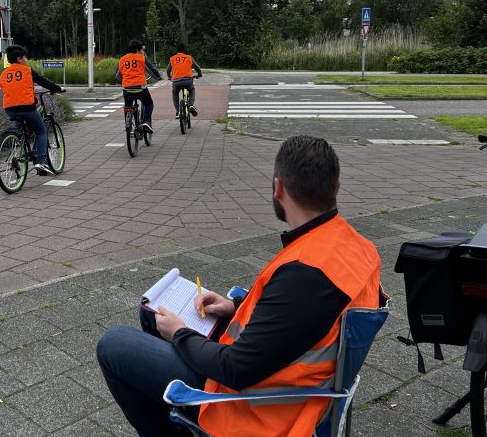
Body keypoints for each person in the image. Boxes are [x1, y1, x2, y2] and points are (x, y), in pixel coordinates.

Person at [97, 135, 382, 437]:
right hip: (290, 373)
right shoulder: (358, 248)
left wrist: (180, 334)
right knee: (151, 314)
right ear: (335, 189)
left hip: (259, 405)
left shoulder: (305, 274)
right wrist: (233, 307)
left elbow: (236, 369)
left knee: (113, 345)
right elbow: (299, 322)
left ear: (278, 188)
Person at [0, 45, 65, 176]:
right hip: (27, 107)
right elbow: (43, 81)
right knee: (41, 132)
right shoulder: (27, 70)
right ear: (19, 59)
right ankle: (41, 161)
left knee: (25, 125)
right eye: (24, 57)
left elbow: (2, 85)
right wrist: (58, 88)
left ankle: (23, 139)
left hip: (9, 109)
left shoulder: (4, 72)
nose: (26, 59)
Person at [115, 39, 162, 133]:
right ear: (137, 50)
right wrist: (158, 77)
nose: (142, 51)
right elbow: (151, 70)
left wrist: (124, 80)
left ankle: (127, 125)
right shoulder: (141, 58)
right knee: (149, 104)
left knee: (128, 106)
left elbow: (118, 75)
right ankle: (147, 122)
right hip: (140, 88)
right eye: (141, 50)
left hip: (127, 88)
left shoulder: (122, 59)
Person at [165, 43, 202, 119]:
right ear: (184, 50)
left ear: (176, 50)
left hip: (176, 81)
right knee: (191, 90)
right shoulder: (189, 57)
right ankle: (191, 105)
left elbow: (168, 70)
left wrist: (170, 77)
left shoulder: (172, 58)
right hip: (188, 80)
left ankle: (178, 111)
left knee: (175, 93)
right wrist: (199, 74)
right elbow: (197, 67)